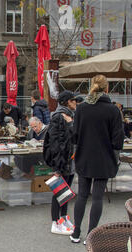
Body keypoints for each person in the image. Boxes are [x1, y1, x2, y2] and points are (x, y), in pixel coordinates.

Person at [70, 75, 124, 244]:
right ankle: (91, 234)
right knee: (98, 197)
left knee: (82, 196)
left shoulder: (82, 108)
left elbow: (74, 135)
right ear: (107, 89)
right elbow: (118, 139)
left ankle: (76, 232)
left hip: (84, 156)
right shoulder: (113, 110)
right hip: (104, 157)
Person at [43, 90, 80, 236]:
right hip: (63, 160)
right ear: (66, 102)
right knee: (59, 191)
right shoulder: (59, 117)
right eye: (73, 101)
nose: (75, 103)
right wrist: (58, 165)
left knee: (66, 191)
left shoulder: (70, 116)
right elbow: (56, 143)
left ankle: (63, 218)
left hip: (69, 160)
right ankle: (55, 221)